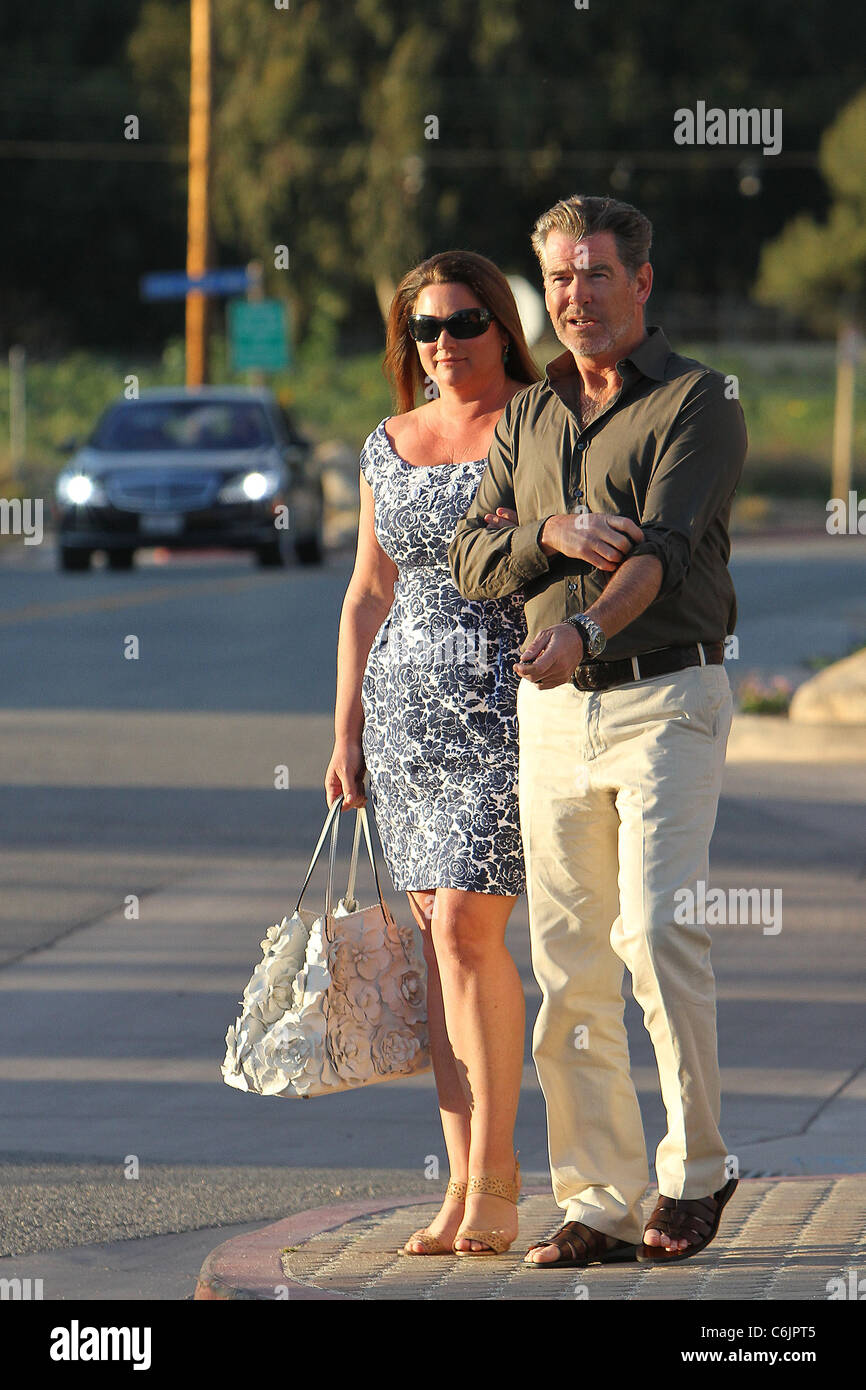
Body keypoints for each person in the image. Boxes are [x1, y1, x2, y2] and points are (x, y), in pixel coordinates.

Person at [448, 194, 747, 1267]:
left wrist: (579, 624)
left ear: (640, 282)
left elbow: (661, 550)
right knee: (567, 963)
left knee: (656, 933)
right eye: (559, 278)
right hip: (552, 715)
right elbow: (468, 556)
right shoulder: (528, 418)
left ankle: (697, 1169)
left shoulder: (698, 401)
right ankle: (599, 1199)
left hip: (665, 696)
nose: (575, 296)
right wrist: (551, 531)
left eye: (594, 273)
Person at [325, 250, 539, 1257]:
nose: (442, 343)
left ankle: (498, 1180)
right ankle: (457, 1189)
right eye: (424, 328)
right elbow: (368, 588)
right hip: (404, 723)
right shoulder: (387, 442)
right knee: (437, 952)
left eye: (461, 322)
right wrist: (344, 729)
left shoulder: (538, 427)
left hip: (507, 710)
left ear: (500, 327)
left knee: (465, 932)